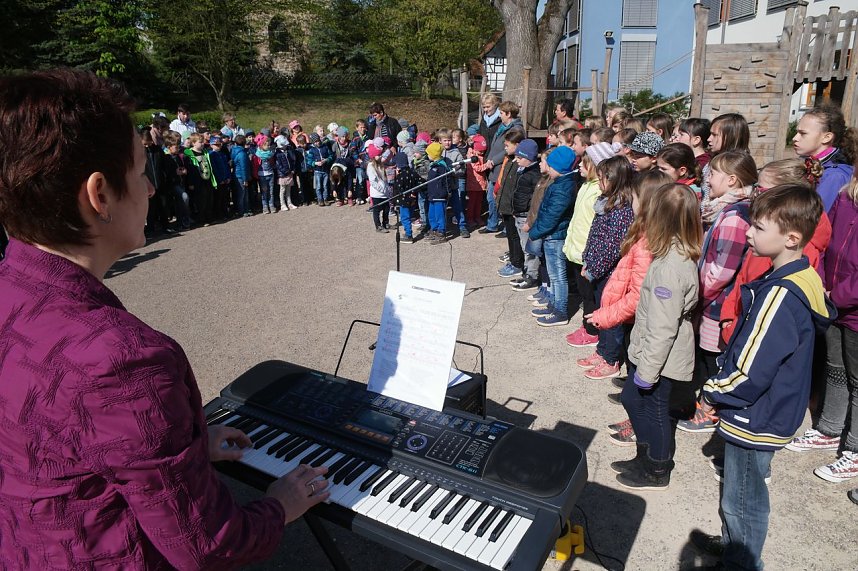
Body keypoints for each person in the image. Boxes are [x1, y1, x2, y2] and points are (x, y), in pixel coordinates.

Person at [0, 68, 329, 569]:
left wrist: (190, 447)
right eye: (139, 173)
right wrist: (279, 506)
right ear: (100, 195)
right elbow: (208, 544)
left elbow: (60, 442)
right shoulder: (122, 360)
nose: (151, 189)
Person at [691, 185, 833, 571]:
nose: (749, 233)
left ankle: (741, 560)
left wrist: (711, 392)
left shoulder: (780, 294)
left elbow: (752, 370)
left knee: (742, 494)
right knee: (743, 489)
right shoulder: (802, 275)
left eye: (758, 226)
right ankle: (736, 544)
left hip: (756, 413)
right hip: (770, 408)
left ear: (790, 238)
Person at [612, 183, 702, 490]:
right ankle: (644, 455)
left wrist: (647, 372)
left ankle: (657, 467)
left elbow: (663, 329)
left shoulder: (669, 269)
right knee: (636, 402)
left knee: (655, 411)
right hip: (651, 353)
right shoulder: (670, 256)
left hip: (660, 360)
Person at [784, 157, 858, 488]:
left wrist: (839, 294)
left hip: (851, 305)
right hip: (833, 299)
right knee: (835, 370)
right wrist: (823, 283)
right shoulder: (845, 198)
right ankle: (829, 428)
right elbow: (826, 246)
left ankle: (854, 448)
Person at [587, 171, 673, 446]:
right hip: (631, 319)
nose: (630, 201)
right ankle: (637, 419)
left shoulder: (650, 243)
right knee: (636, 384)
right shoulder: (644, 231)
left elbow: (638, 295)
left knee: (644, 388)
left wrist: (605, 315)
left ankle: (645, 436)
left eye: (634, 197)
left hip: (641, 320)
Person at [576, 156, 636, 378]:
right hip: (596, 267)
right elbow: (595, 235)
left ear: (616, 180)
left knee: (610, 317)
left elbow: (612, 247)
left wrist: (594, 269)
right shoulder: (606, 201)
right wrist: (586, 258)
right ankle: (602, 350)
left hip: (610, 273)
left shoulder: (621, 209)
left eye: (602, 179)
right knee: (600, 311)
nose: (599, 182)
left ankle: (611, 359)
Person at [564, 142, 618, 348]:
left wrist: (590, 254)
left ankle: (592, 330)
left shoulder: (598, 191)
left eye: (584, 164)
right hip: (576, 249)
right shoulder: (586, 185)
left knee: (590, 295)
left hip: (588, 253)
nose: (579, 166)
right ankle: (587, 324)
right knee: (584, 292)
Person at [528, 145, 577, 327]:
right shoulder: (558, 183)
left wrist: (535, 232)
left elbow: (551, 216)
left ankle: (561, 311)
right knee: (554, 274)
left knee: (558, 276)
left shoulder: (563, 188)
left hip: (556, 236)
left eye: (551, 166)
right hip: (551, 236)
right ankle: (554, 304)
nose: (548, 169)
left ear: (560, 168)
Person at [792, 104, 854, 212]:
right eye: (797, 132)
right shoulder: (807, 162)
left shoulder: (834, 176)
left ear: (826, 137)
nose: (794, 138)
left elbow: (814, 216)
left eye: (803, 133)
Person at [481, 100, 524, 235]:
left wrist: (493, 160)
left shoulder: (516, 129)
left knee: (502, 197)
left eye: (501, 113)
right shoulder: (503, 127)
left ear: (508, 114)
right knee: (491, 197)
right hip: (495, 165)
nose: (499, 116)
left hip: (503, 165)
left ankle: (507, 227)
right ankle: (492, 223)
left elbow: (508, 149)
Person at [509, 139, 542, 290]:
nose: (516, 160)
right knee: (524, 246)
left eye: (519, 157)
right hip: (520, 214)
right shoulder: (523, 171)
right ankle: (527, 272)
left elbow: (534, 198)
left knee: (529, 248)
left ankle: (532, 276)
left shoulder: (534, 174)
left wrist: (527, 213)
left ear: (528, 158)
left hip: (527, 216)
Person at [426, 142, 454, 245]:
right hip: (432, 195)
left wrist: (446, 192)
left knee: (439, 215)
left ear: (434, 154)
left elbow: (446, 181)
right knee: (431, 215)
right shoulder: (433, 165)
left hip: (440, 196)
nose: (427, 155)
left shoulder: (442, 166)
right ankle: (434, 229)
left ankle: (441, 232)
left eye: (429, 153)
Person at [392, 151, 422, 243]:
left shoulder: (400, 176)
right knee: (409, 215)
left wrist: (394, 201)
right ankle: (408, 233)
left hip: (403, 200)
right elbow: (419, 181)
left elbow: (397, 188)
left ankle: (409, 235)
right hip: (413, 198)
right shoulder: (412, 173)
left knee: (405, 217)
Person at [367, 143, 391, 232]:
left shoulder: (380, 164)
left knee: (386, 209)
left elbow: (384, 178)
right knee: (376, 210)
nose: (380, 156)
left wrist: (387, 189)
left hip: (384, 192)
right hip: (377, 193)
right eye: (378, 155)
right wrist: (381, 189)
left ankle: (386, 223)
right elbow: (373, 181)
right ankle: (378, 226)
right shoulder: (370, 166)